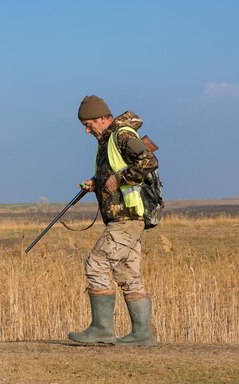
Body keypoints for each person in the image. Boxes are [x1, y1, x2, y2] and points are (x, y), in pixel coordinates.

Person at [68, 95, 158, 346]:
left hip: (126, 218)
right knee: (128, 273)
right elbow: (116, 172)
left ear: (103, 118)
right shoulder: (110, 140)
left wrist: (119, 180)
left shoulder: (120, 135)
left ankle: (102, 330)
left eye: (89, 124)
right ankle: (142, 335)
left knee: (96, 263)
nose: (87, 131)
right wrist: (97, 183)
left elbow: (148, 162)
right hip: (128, 216)